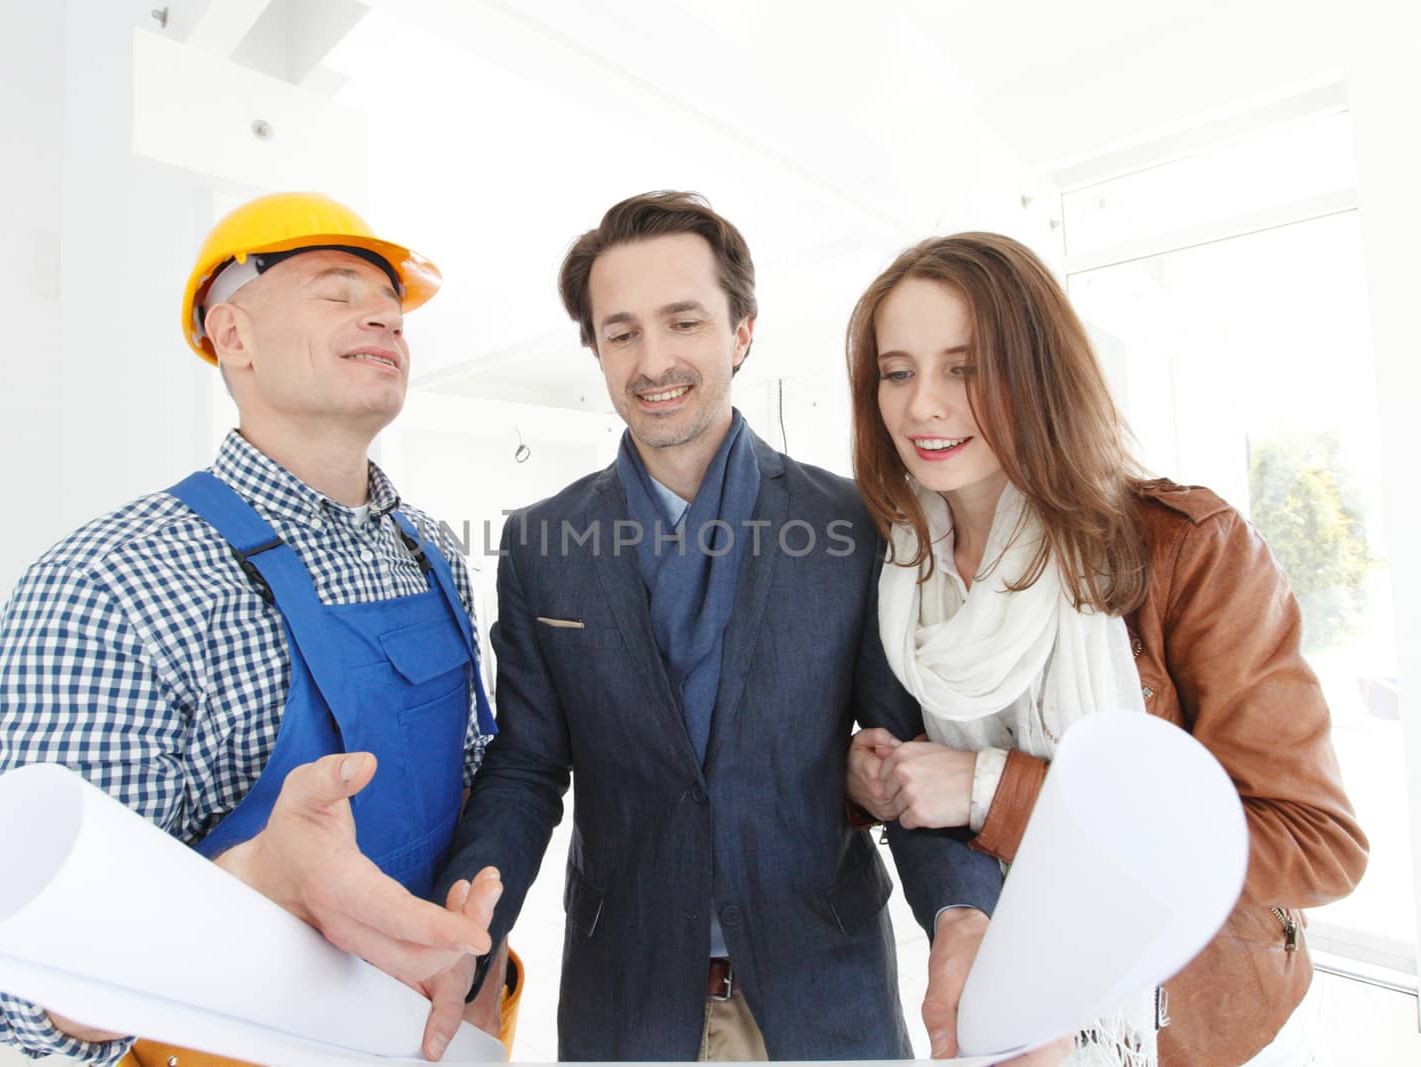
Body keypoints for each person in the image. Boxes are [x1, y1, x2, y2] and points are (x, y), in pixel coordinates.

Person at [419, 190, 1016, 1063]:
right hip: (624, 995)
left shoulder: (856, 524)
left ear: (741, 332)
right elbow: (526, 766)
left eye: (684, 322)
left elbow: (903, 753)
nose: (653, 359)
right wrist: (466, 924)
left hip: (822, 986)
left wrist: (962, 914)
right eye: (621, 332)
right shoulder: (543, 541)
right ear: (597, 350)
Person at [0, 192, 506, 1065]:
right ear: (234, 335)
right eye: (338, 291)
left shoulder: (433, 549)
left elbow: (474, 778)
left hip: (450, 1025)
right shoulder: (112, 581)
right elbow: (34, 976)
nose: (384, 316)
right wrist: (256, 886)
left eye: (393, 305)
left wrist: (476, 954)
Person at [842, 232, 1369, 1066]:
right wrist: (878, 781)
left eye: (966, 368)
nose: (921, 407)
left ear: (1037, 373)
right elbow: (929, 798)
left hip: (1183, 1017)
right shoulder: (902, 568)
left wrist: (992, 788)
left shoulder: (1187, 547)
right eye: (897, 371)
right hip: (1011, 999)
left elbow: (1316, 844)